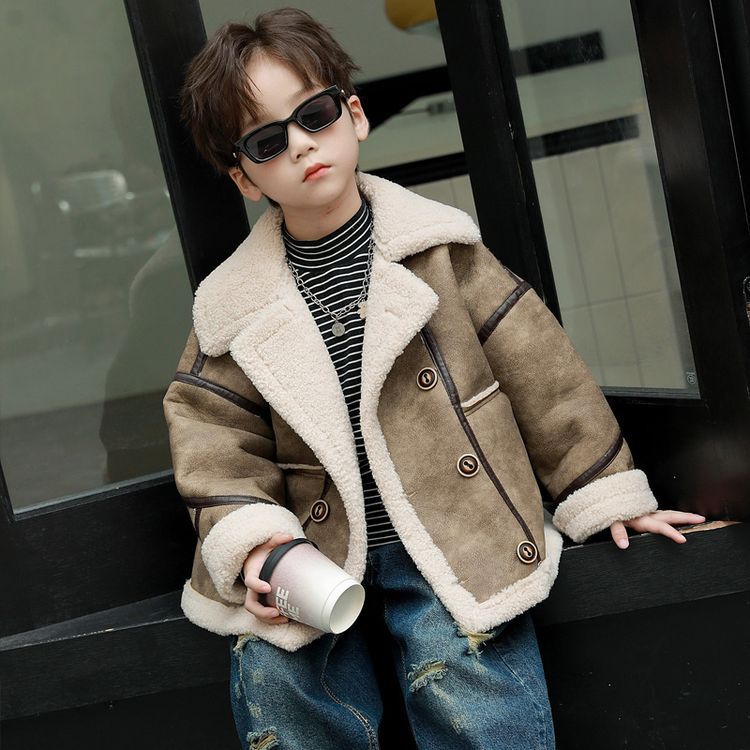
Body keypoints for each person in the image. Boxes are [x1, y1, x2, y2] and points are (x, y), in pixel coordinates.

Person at [163, 7, 705, 748]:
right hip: (317, 553)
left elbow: (542, 376)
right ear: (244, 177)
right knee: (282, 687)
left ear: (354, 115)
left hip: (453, 528)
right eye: (267, 141)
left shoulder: (444, 254)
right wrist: (256, 547)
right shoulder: (232, 307)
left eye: (314, 115)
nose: (301, 144)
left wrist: (602, 489)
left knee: (471, 682)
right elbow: (213, 439)